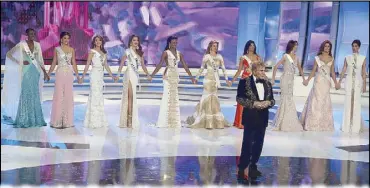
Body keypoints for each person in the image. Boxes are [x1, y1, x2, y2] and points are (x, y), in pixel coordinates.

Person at [236, 62, 275, 180]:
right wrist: (253, 104)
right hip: (250, 117)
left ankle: (253, 166)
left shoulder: (267, 83)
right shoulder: (244, 81)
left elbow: (272, 100)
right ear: (254, 71)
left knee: (259, 143)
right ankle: (243, 167)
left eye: (264, 71)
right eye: (261, 70)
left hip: (263, 117)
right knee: (247, 143)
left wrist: (269, 103)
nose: (263, 73)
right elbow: (239, 98)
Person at [5, 28, 50, 128]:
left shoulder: (37, 45)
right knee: (25, 94)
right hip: (25, 71)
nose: (32, 35)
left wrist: (45, 73)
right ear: (27, 35)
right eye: (30, 33)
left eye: (33, 33)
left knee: (34, 94)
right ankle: (24, 118)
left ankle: (35, 119)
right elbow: (9, 54)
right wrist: (19, 62)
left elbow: (40, 60)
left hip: (35, 72)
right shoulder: (22, 45)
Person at [150, 36, 196, 128]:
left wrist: (192, 78)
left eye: (176, 42)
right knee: (167, 97)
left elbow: (185, 66)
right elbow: (160, 64)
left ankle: (173, 121)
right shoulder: (166, 53)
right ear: (169, 43)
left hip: (175, 77)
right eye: (173, 42)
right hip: (167, 77)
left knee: (174, 98)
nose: (175, 44)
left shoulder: (179, 54)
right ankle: (165, 121)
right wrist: (152, 75)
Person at [186, 40, 232, 129]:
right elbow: (202, 68)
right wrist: (196, 78)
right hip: (208, 80)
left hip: (215, 80)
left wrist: (227, 80)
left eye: (216, 46)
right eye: (214, 46)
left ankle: (214, 121)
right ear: (210, 47)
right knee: (207, 97)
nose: (215, 47)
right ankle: (205, 120)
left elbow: (223, 69)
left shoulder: (219, 57)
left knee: (214, 98)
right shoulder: (207, 57)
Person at [300, 40, 338, 131]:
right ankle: (312, 123)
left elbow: (332, 72)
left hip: (326, 83)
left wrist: (336, 82)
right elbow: (313, 70)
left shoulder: (331, 59)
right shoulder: (317, 58)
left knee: (324, 101)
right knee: (316, 100)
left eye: (328, 46)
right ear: (323, 47)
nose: (327, 48)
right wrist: (307, 80)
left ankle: (323, 124)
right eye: (326, 46)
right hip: (318, 81)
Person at [115, 35, 151, 128]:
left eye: (137, 40)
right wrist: (118, 75)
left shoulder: (140, 53)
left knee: (132, 97)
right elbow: (122, 63)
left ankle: (129, 120)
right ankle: (129, 121)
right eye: (134, 40)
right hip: (128, 75)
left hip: (135, 76)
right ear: (130, 42)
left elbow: (143, 65)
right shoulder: (127, 51)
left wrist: (148, 75)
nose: (136, 41)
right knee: (130, 97)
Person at [269, 40, 305, 131]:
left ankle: (289, 119)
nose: (296, 47)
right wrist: (273, 79)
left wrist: (304, 79)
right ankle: (282, 121)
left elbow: (300, 69)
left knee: (289, 98)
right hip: (285, 79)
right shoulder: (285, 56)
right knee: (285, 98)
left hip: (291, 80)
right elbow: (276, 66)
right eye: (295, 45)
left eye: (297, 45)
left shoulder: (296, 57)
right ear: (291, 46)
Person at [80, 35, 115, 128]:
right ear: (94, 42)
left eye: (99, 40)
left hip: (100, 75)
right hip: (94, 74)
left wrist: (112, 76)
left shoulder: (104, 53)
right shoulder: (92, 52)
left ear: (102, 42)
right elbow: (87, 64)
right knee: (94, 95)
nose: (98, 42)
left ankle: (99, 118)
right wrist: (82, 76)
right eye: (96, 40)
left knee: (99, 96)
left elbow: (106, 65)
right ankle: (93, 120)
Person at [48, 32, 80, 129]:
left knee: (68, 96)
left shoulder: (72, 50)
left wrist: (77, 75)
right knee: (59, 95)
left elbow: (73, 62)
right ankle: (57, 121)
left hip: (69, 74)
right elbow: (54, 62)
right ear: (61, 39)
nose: (66, 40)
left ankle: (67, 121)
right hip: (60, 73)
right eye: (64, 38)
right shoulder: (57, 49)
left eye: (68, 38)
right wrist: (48, 73)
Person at [337, 39, 367, 133]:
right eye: (353, 46)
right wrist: (339, 81)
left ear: (359, 47)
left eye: (356, 46)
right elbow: (344, 70)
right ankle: (346, 125)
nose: (354, 48)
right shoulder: (347, 57)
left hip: (358, 82)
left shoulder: (363, 58)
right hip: (349, 81)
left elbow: (363, 72)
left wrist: (365, 84)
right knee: (348, 102)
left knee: (356, 103)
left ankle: (355, 126)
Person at [231, 40, 262, 129]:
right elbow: (239, 70)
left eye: (253, 45)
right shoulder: (243, 58)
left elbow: (260, 69)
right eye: (250, 45)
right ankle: (241, 122)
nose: (252, 47)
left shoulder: (258, 57)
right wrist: (232, 81)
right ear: (247, 47)